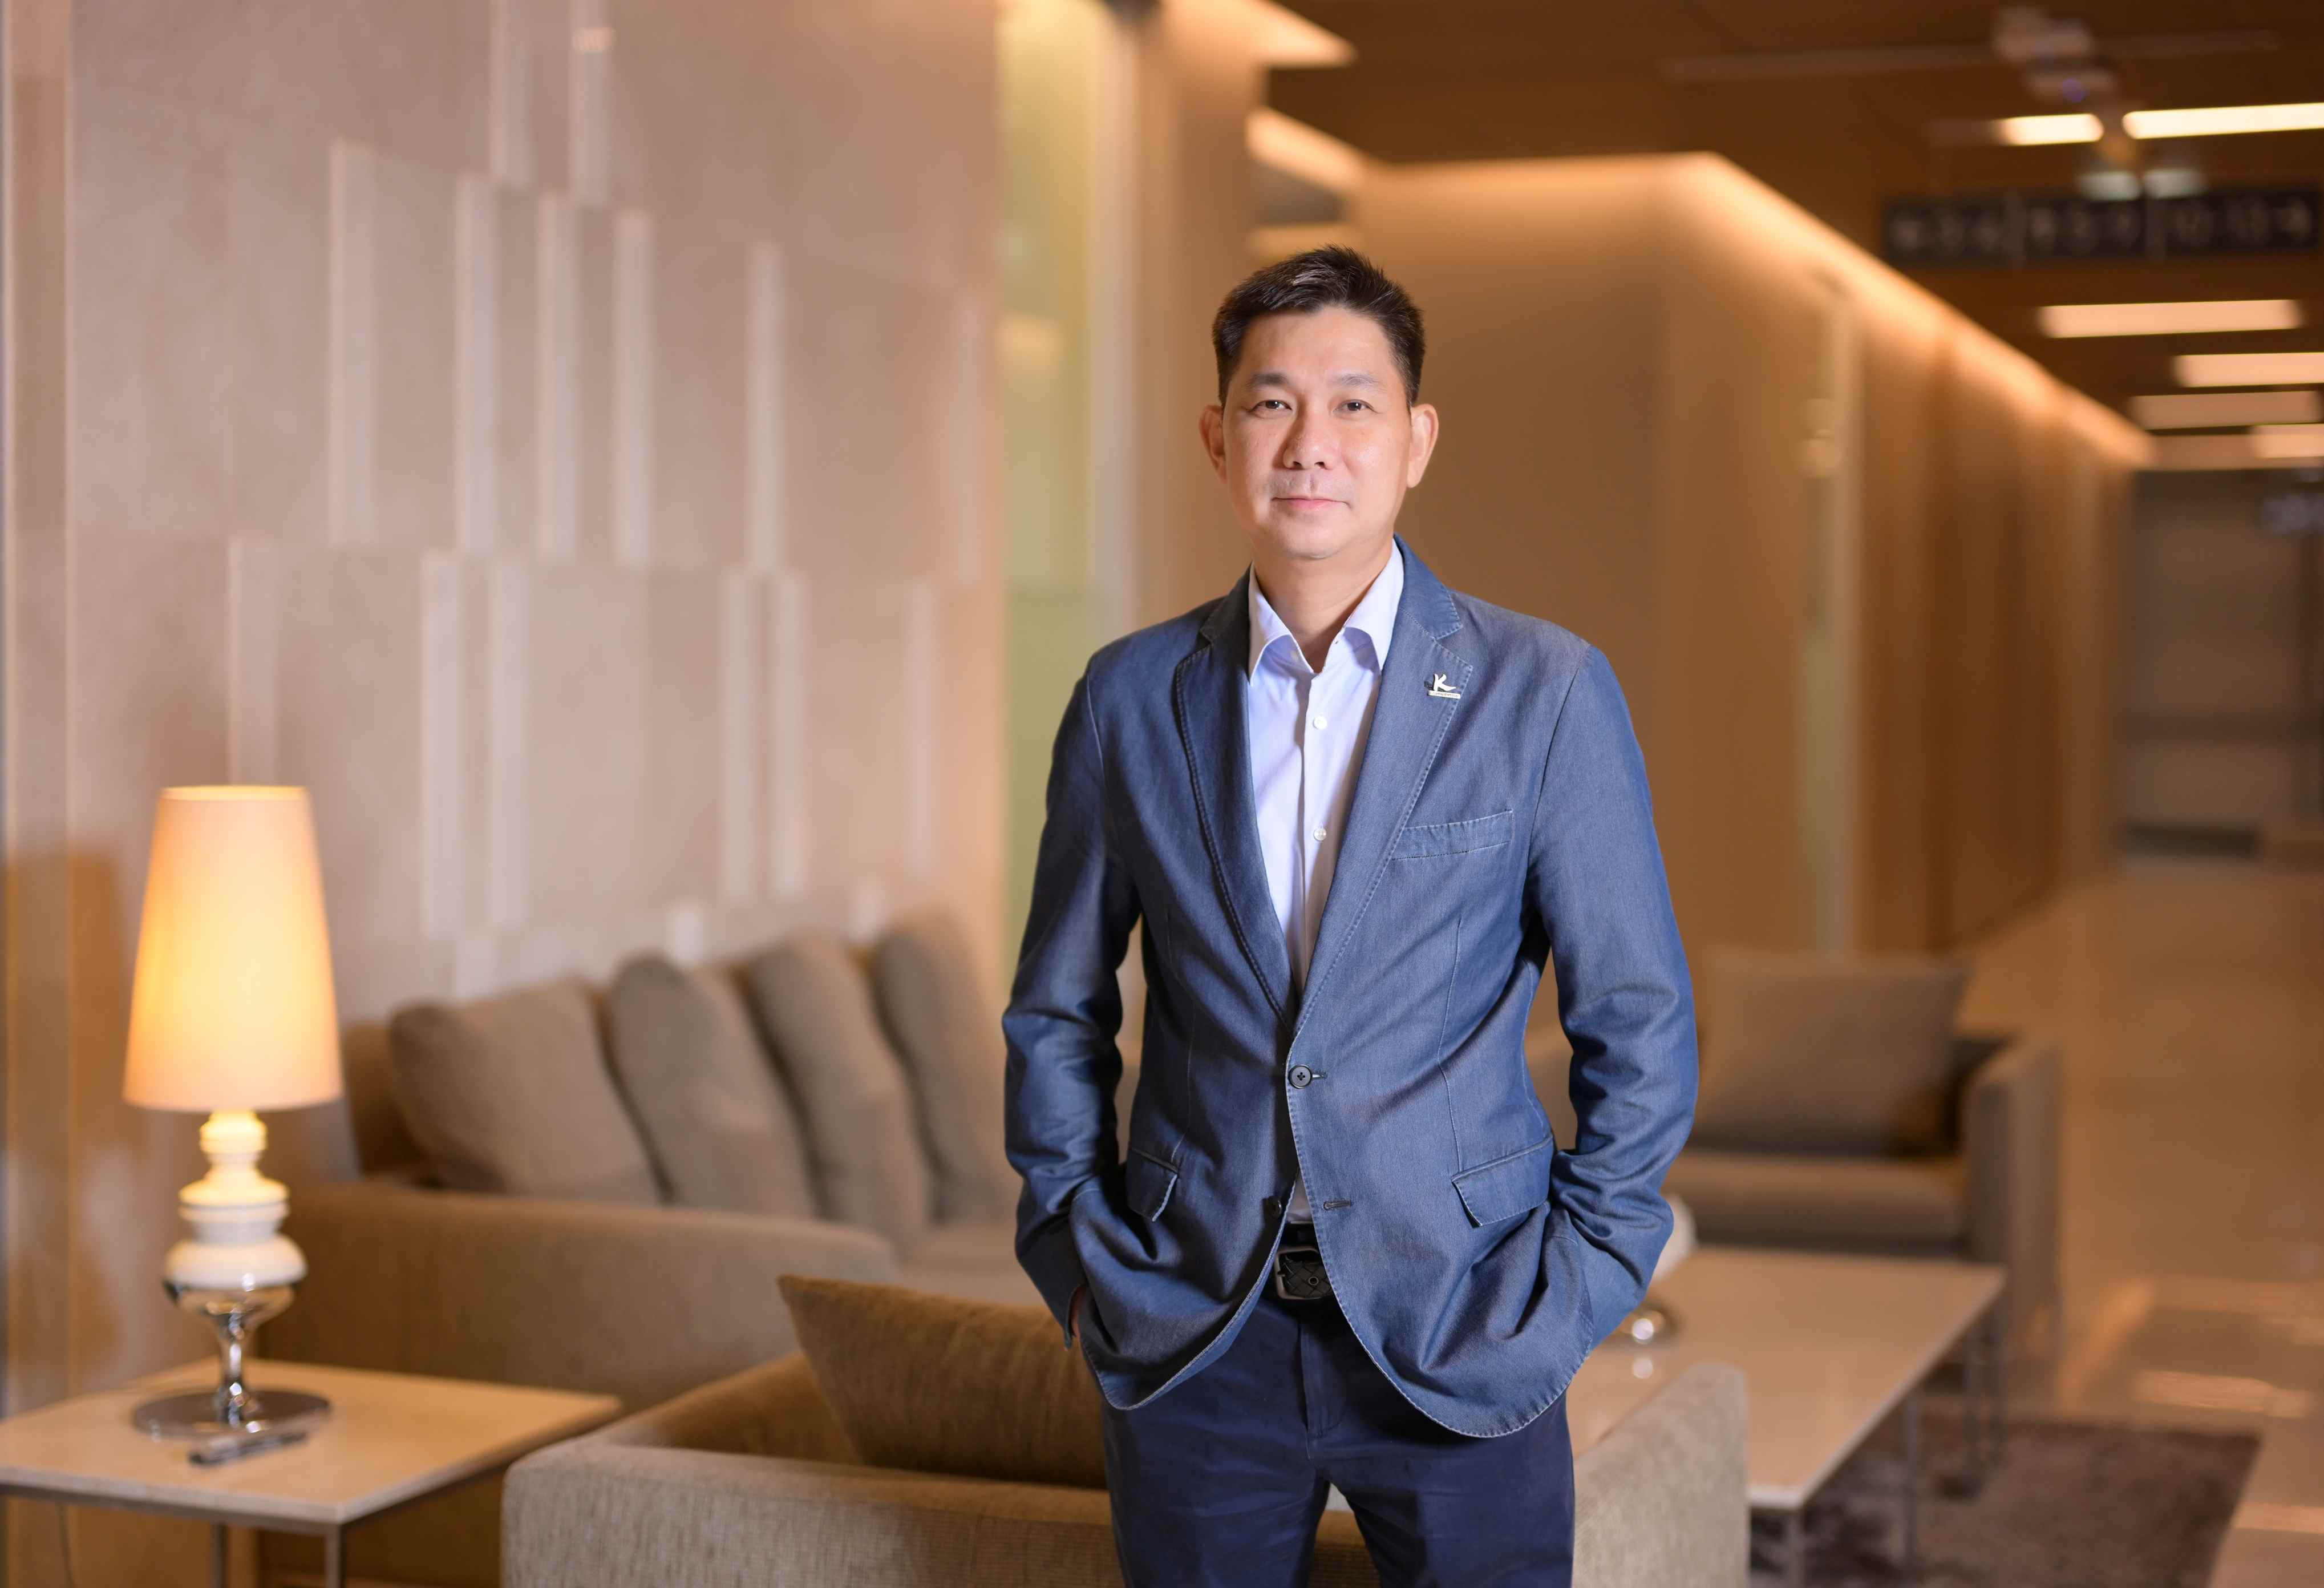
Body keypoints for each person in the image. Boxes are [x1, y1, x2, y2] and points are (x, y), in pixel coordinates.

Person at [1002, 245, 1697, 1587]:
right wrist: (1076, 1260)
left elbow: (1639, 1018)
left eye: (1354, 404)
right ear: (1218, 439)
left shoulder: (1543, 692)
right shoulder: (1127, 699)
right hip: (1196, 1333)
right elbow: (1056, 1009)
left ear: (1416, 441)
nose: (1310, 442)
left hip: (1465, 1323)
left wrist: (1576, 1288)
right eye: (1271, 403)